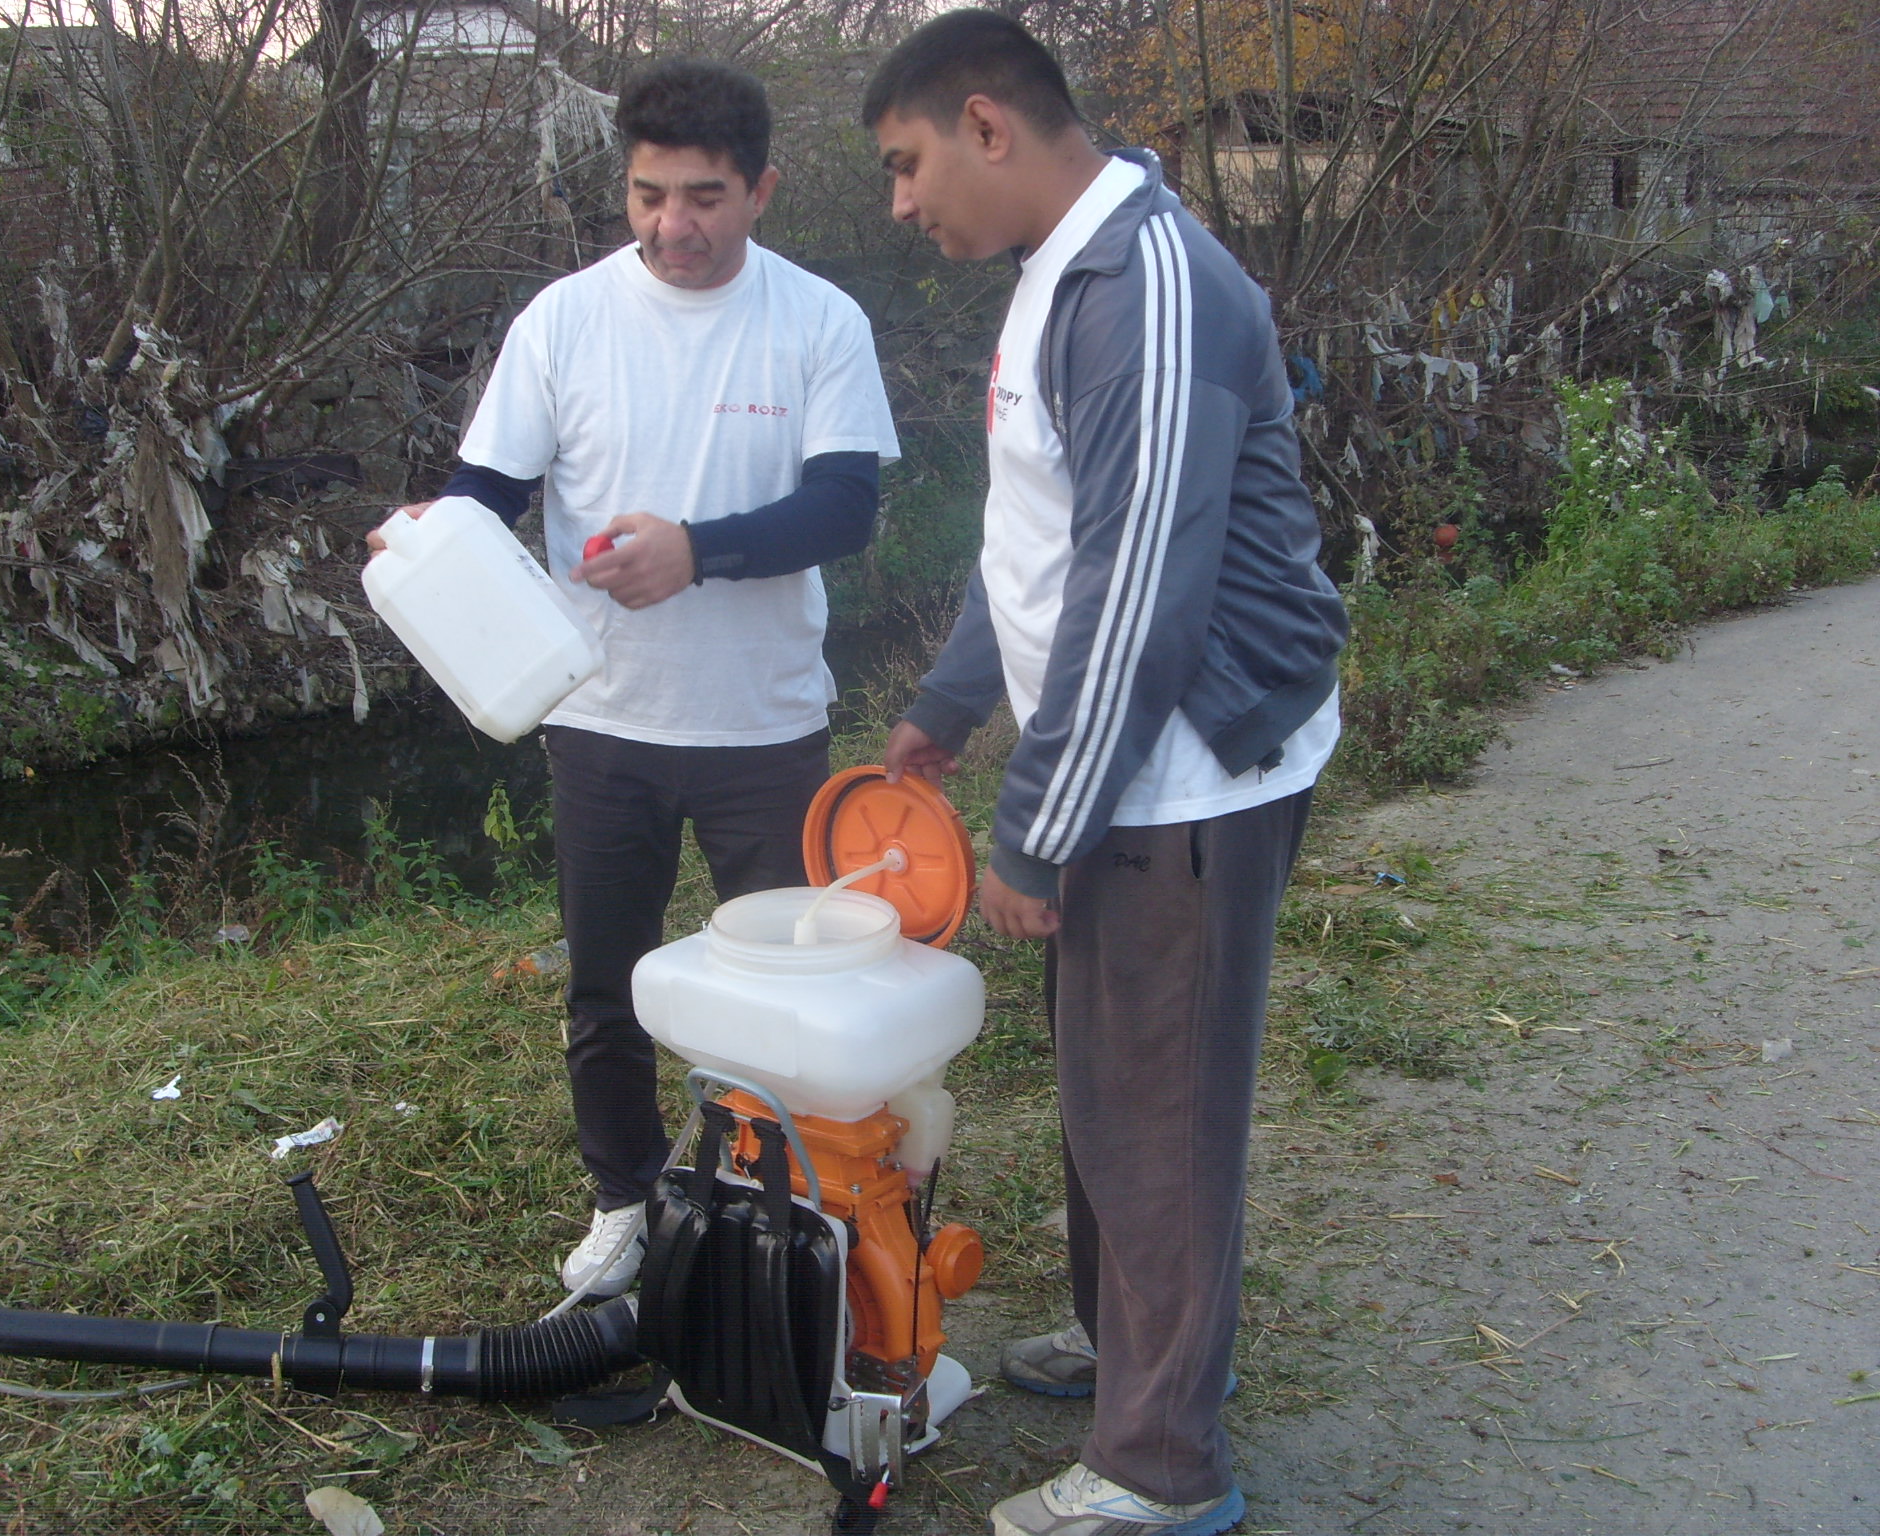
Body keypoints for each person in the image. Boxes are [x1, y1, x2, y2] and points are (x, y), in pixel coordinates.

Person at [863, 14, 1347, 1536]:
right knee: (1107, 1083)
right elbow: (1040, 536)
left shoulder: (1146, 287)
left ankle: (1162, 1469)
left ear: (988, 125)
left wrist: (1032, 830)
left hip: (1188, 776)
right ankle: (1129, 1340)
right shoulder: (1061, 269)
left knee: (1161, 1111)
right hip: (1138, 763)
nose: (899, 201)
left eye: (905, 162)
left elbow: (1142, 595)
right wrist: (952, 702)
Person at [370, 59, 899, 1297]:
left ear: (761, 189)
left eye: (705, 196)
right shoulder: (563, 320)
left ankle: (784, 1206)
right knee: (604, 987)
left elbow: (846, 506)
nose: (673, 225)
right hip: (598, 717)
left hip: (765, 725)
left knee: (786, 993)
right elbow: (490, 493)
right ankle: (621, 1201)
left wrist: (696, 552)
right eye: (649, 194)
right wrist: (430, 533)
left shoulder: (819, 320)